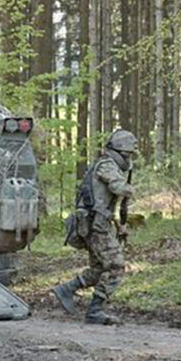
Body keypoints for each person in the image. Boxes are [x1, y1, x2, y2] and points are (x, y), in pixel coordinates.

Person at [52, 129, 138, 325]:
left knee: (99, 269)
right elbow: (117, 187)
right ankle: (95, 310)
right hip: (95, 225)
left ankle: (67, 289)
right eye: (128, 155)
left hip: (95, 223)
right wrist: (133, 190)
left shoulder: (104, 164)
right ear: (120, 152)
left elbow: (103, 201)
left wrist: (119, 225)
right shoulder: (106, 165)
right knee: (115, 265)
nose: (130, 159)